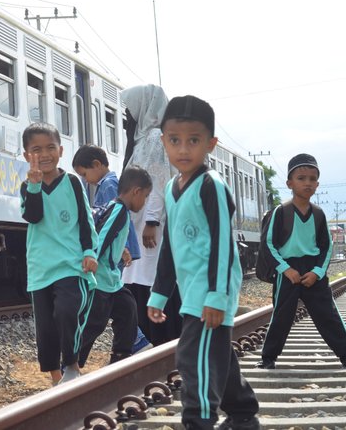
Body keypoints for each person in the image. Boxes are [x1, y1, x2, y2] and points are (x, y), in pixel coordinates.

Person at [147, 95, 259, 430]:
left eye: (193, 141)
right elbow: (170, 247)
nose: (183, 149)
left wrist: (216, 296)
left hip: (211, 291)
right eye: (175, 140)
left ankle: (199, 421)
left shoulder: (212, 185)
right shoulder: (170, 188)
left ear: (210, 144)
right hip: (193, 290)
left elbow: (224, 245)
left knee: (193, 358)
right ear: (164, 141)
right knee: (214, 355)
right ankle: (242, 412)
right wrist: (159, 293)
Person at [20, 122, 98, 386]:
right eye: (36, 149)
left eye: (50, 147)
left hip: (70, 263)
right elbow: (33, 215)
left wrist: (89, 251)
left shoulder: (74, 183)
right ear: (26, 155)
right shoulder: (26, 186)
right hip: (41, 266)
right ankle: (56, 378)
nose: (44, 154)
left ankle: (72, 365)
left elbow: (86, 221)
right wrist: (33, 186)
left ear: (61, 150)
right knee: (45, 327)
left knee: (66, 311)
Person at [255, 154, 346, 369]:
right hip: (288, 271)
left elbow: (326, 247)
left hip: (313, 271)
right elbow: (268, 244)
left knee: (328, 316)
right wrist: (285, 269)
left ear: (317, 184)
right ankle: (268, 358)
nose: (307, 183)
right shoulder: (281, 212)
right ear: (289, 183)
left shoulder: (319, 214)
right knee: (281, 316)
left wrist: (317, 271)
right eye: (301, 178)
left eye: (312, 179)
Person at [72, 145, 152, 354]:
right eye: (144, 198)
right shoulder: (118, 207)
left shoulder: (110, 189)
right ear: (135, 193)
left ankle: (124, 354)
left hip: (110, 276)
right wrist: (93, 258)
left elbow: (108, 230)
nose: (86, 179)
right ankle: (71, 363)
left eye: (85, 174)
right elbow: (105, 232)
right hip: (103, 274)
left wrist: (122, 247)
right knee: (95, 323)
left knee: (127, 309)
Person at [119, 84, 181, 346]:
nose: (127, 116)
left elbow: (157, 182)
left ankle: (164, 342)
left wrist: (153, 221)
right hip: (139, 223)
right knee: (141, 281)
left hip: (150, 225)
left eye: (130, 109)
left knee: (151, 281)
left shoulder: (155, 138)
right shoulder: (144, 139)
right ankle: (155, 344)